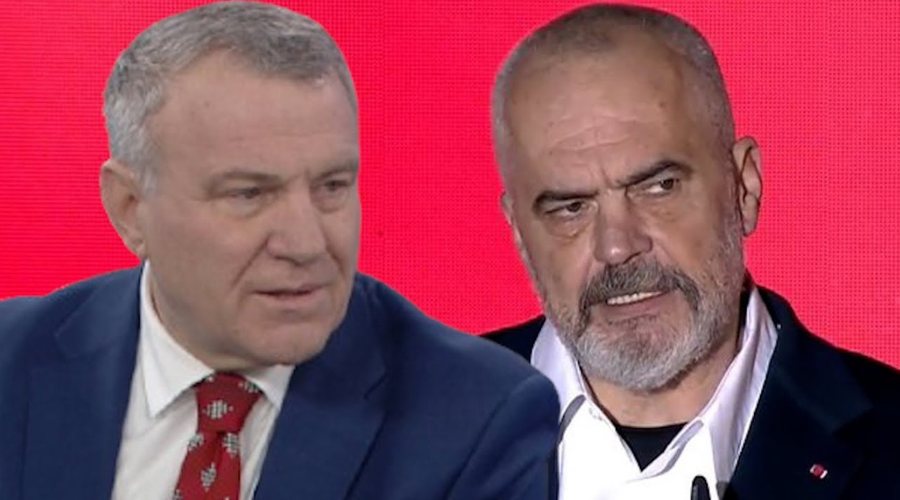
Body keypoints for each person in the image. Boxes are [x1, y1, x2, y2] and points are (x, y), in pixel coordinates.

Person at [0, 3, 559, 499]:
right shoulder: (12, 359)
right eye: (249, 194)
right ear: (129, 208)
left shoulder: (477, 419)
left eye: (332, 187)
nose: (307, 244)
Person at [485, 3, 900, 499]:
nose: (616, 246)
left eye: (658, 187)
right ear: (518, 231)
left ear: (743, 187)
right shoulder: (414, 430)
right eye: (571, 208)